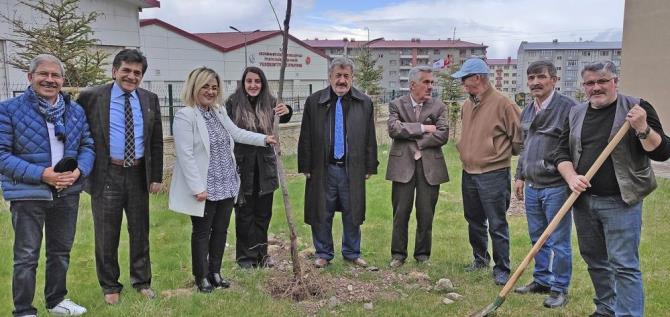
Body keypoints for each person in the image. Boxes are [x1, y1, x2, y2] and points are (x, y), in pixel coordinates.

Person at [552, 61, 670, 317]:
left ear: (615, 81)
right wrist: (571, 176)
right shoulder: (576, 113)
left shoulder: (637, 107)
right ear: (583, 86)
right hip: (583, 201)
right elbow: (561, 152)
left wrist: (642, 127)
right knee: (595, 260)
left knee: (624, 265)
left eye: (602, 81)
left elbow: (662, 151)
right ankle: (606, 308)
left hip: (621, 201)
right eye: (590, 83)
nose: (596, 87)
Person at [0, 54, 94, 316]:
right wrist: (43, 174)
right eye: (44, 74)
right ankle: (23, 310)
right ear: (30, 77)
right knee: (26, 256)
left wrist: (78, 171)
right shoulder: (8, 110)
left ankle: (56, 301)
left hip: (67, 191)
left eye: (56, 75)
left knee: (60, 251)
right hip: (29, 193)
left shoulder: (74, 111)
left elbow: (87, 145)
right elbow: (2, 155)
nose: (50, 80)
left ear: (63, 80)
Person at [169, 67, 276, 292]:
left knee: (221, 230)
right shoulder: (185, 115)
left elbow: (236, 133)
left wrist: (264, 139)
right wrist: (198, 187)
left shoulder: (218, 111)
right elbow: (185, 155)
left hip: (227, 183)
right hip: (205, 187)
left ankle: (216, 273)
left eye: (214, 87)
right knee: (201, 233)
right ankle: (202, 277)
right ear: (195, 86)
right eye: (205, 86)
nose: (210, 91)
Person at [77, 49, 163, 305]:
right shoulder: (92, 97)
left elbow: (156, 141)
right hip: (106, 174)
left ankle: (142, 281)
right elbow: (78, 131)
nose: (131, 76)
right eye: (126, 70)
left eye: (137, 72)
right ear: (114, 71)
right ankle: (110, 285)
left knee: (140, 231)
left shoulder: (150, 99)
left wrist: (156, 175)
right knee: (106, 233)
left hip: (138, 174)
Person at [298, 57, 378, 268]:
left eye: (346, 76)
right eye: (338, 76)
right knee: (321, 212)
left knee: (353, 212)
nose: (342, 81)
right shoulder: (314, 102)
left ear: (352, 77)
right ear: (330, 77)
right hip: (322, 168)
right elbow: (305, 135)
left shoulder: (364, 102)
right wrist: (305, 165)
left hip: (352, 168)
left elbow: (370, 135)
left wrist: (370, 165)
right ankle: (323, 253)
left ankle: (352, 252)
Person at [451, 57, 522, 285]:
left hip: (493, 174)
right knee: (474, 219)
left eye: (465, 80)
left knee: (497, 222)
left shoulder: (504, 104)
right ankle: (480, 259)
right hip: (468, 172)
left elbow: (519, 139)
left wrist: (496, 154)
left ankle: (502, 268)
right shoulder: (467, 104)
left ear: (478, 78)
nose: (463, 85)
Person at [512, 60, 577, 308]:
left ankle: (560, 287)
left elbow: (575, 147)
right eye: (531, 78)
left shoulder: (569, 109)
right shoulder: (528, 111)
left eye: (541, 77)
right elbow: (525, 146)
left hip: (556, 186)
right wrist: (519, 176)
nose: (535, 82)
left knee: (559, 240)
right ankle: (542, 279)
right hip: (532, 186)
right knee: (537, 237)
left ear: (554, 80)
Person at [225, 67, 291, 269]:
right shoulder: (232, 103)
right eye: (249, 81)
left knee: (263, 214)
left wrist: (287, 109)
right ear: (243, 83)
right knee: (244, 215)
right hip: (242, 167)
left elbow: (284, 116)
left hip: (265, 168)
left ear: (263, 83)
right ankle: (246, 258)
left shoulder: (270, 102)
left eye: (257, 81)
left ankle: (262, 255)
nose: (253, 85)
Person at [386, 66, 449, 268]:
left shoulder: (439, 107)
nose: (431, 86)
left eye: (432, 82)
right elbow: (394, 129)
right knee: (400, 212)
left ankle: (422, 255)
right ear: (413, 85)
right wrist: (423, 128)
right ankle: (398, 255)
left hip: (430, 168)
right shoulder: (396, 104)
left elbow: (442, 134)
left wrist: (418, 144)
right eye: (426, 82)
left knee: (426, 213)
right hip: (402, 167)